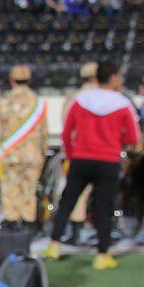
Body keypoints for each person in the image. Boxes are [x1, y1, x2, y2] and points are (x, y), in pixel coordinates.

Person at [43, 61, 142, 269]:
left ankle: (54, 245)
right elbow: (133, 137)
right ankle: (102, 255)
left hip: (81, 159)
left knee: (67, 202)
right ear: (114, 78)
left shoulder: (80, 100)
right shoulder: (122, 103)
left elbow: (66, 131)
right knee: (104, 207)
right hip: (108, 161)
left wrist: (72, 155)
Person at [0, 65, 47, 231]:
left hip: (10, 156)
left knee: (10, 194)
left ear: (11, 80)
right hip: (33, 157)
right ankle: (28, 228)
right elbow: (44, 134)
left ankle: (13, 229)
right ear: (29, 80)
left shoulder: (3, 103)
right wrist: (42, 155)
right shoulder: (39, 103)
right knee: (29, 193)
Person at [57, 61, 99, 244]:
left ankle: (75, 234)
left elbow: (66, 127)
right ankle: (103, 232)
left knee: (77, 195)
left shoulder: (73, 98)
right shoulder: (111, 97)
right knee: (103, 194)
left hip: (79, 153)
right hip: (105, 153)